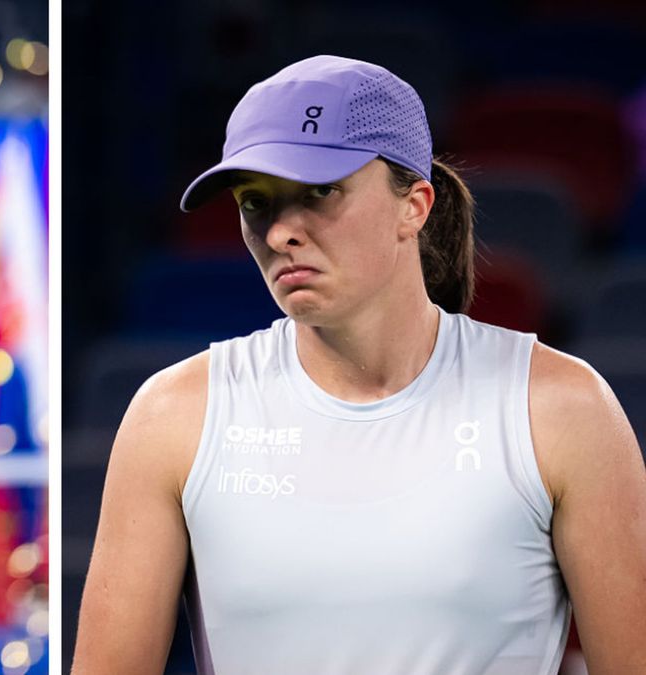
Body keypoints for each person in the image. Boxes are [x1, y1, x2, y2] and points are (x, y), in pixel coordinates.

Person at [72, 55, 646, 673]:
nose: (280, 233)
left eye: (319, 191)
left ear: (415, 205)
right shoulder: (173, 417)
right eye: (256, 202)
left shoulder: (563, 408)